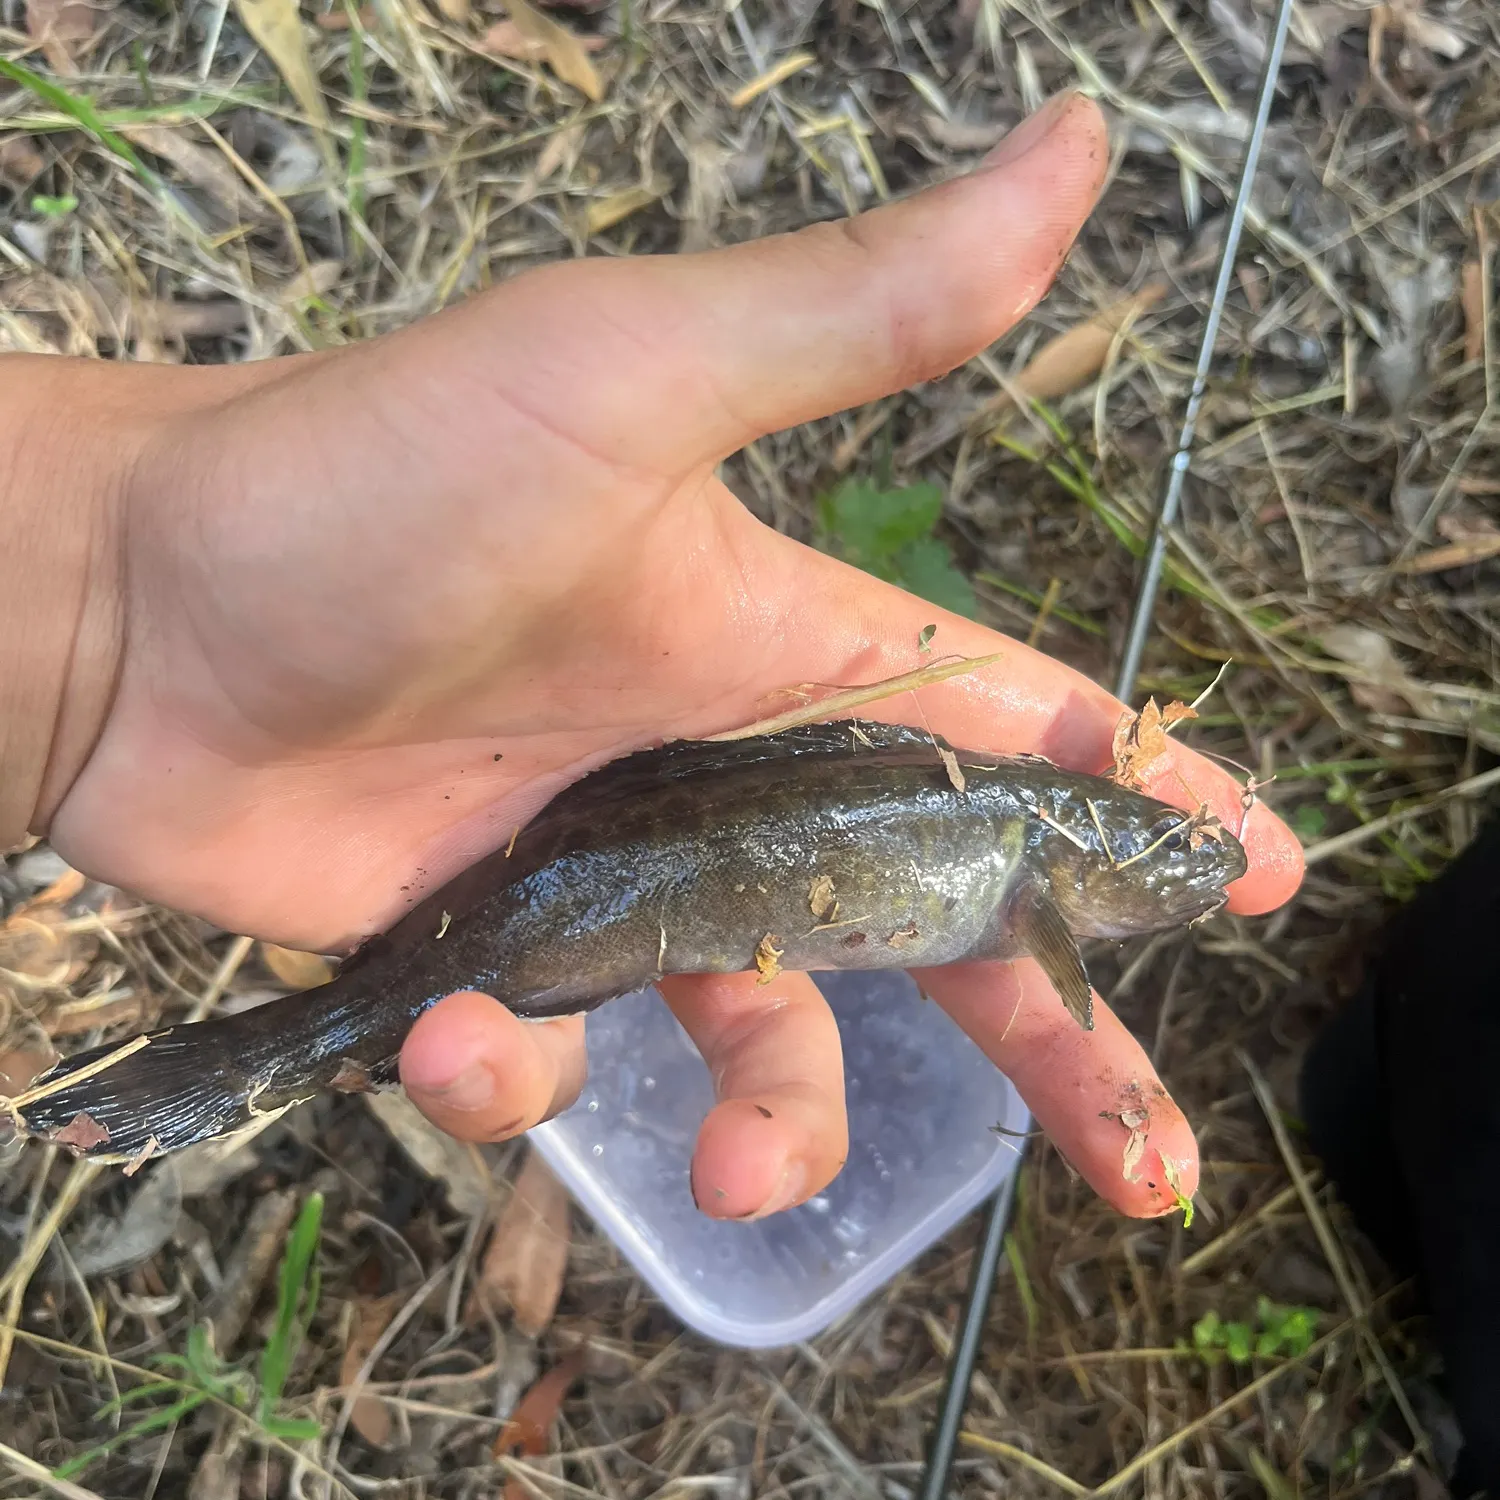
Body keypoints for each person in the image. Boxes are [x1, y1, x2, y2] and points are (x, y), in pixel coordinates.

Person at [0, 91, 1301, 1223]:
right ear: (1077, 855)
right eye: (1164, 846)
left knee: (453, 1032)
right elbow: (1061, 983)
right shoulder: (1026, 854)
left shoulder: (1024, 834)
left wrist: (99, 631)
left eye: (1172, 847)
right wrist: (113, 600)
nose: (1189, 861)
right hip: (579, 882)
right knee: (440, 1024)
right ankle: (241, 1064)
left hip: (583, 877)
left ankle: (234, 1064)